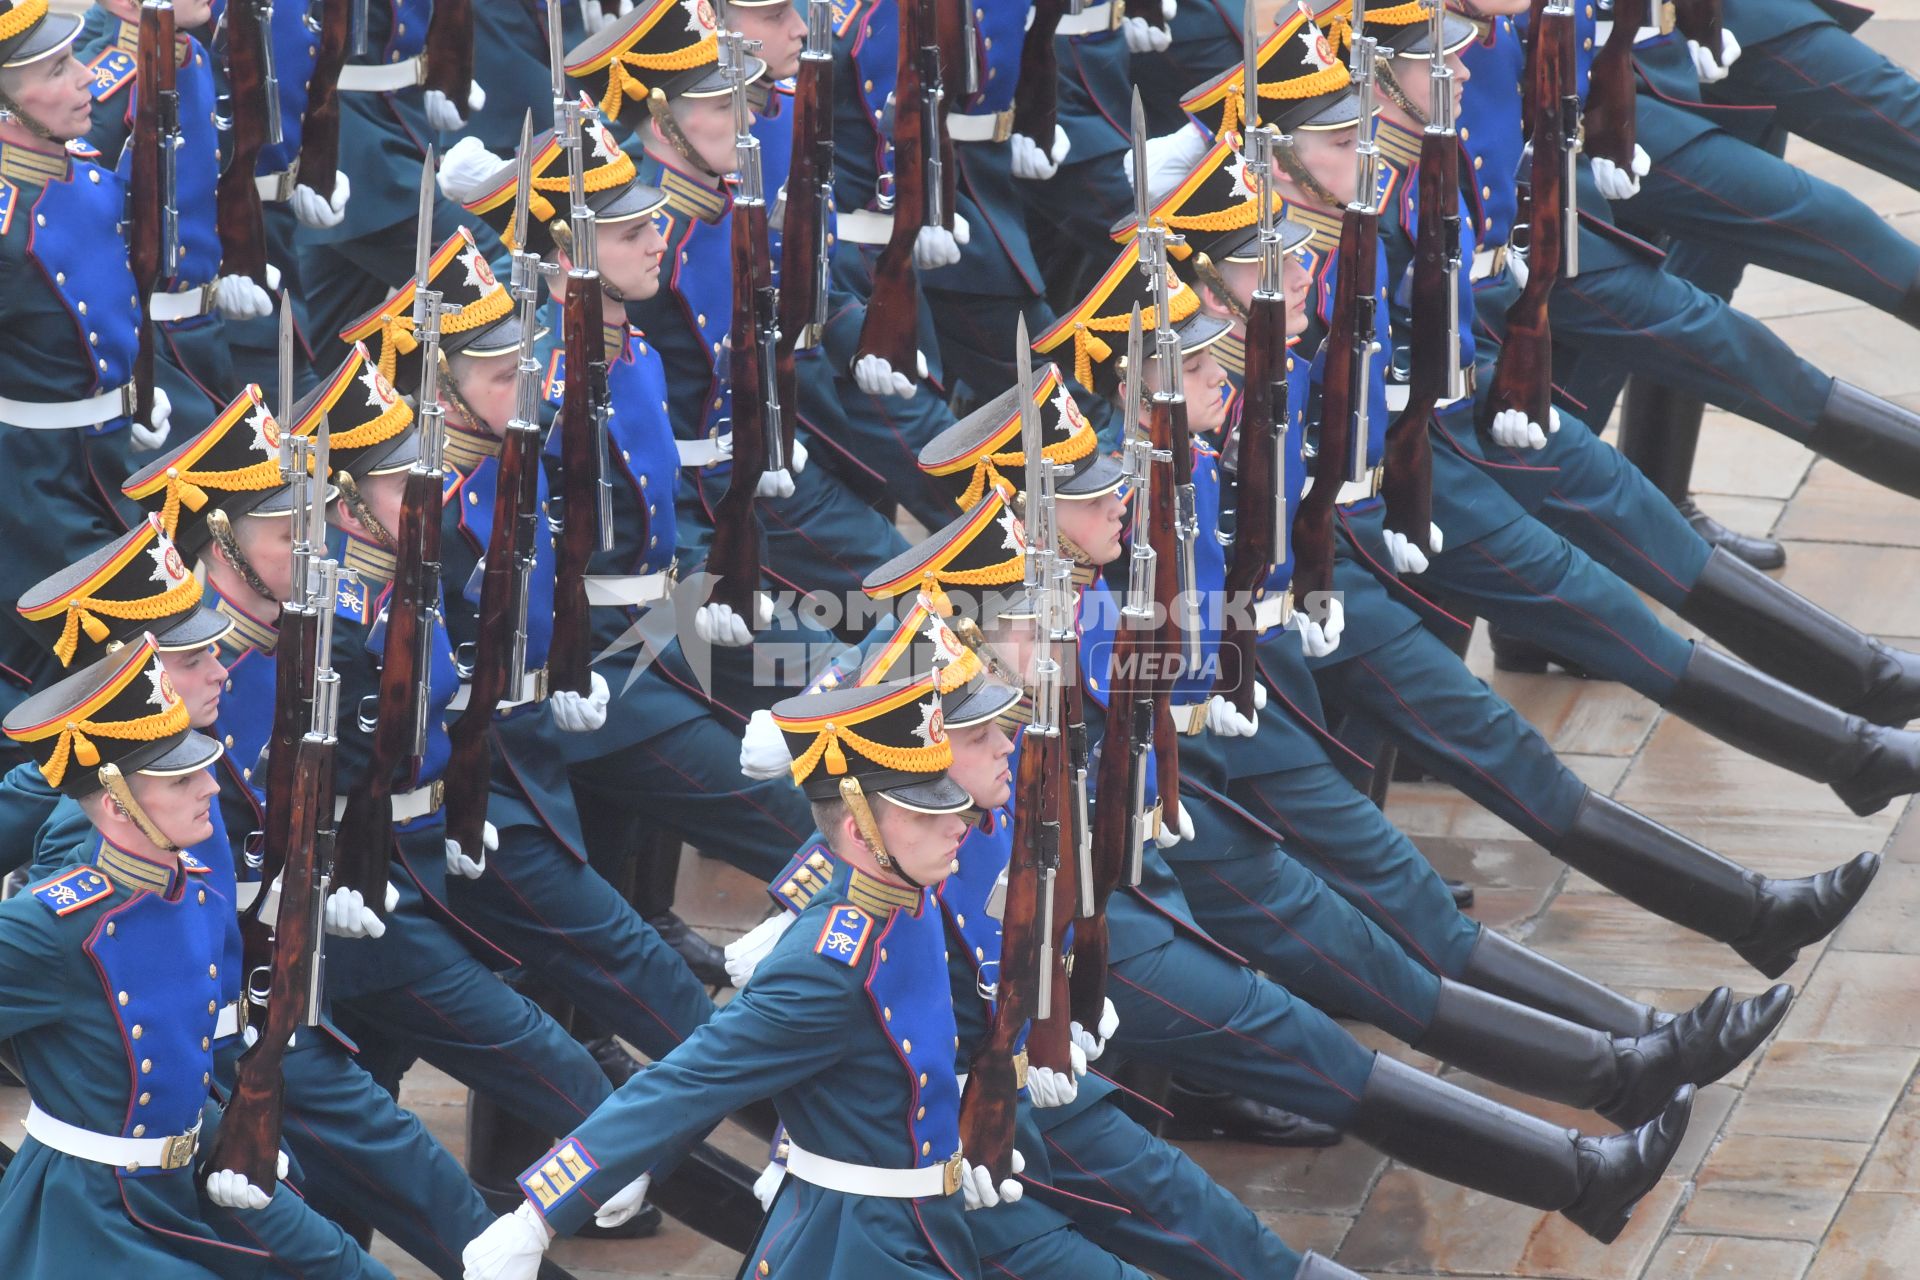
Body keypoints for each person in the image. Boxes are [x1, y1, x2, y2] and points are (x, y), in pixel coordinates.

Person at [461, 669, 991, 1280]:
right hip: (854, 1245)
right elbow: (690, 1080)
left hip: (922, 1222)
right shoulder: (826, 969)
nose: (958, 825)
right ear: (861, 830)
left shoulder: (910, 897)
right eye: (928, 815)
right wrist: (540, 1216)